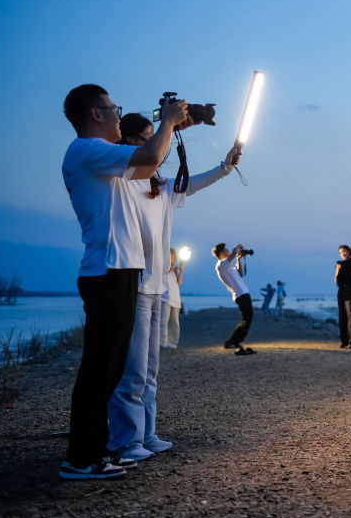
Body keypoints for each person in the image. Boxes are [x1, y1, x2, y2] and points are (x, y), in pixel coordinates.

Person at [59, 84, 190, 480]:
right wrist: (167, 122)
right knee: (100, 368)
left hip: (123, 270)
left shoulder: (103, 156)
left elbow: (148, 168)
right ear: (95, 113)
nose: (119, 114)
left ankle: (99, 449)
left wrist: (173, 127)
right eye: (113, 108)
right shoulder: (86, 149)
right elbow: (148, 156)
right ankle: (81, 458)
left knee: (112, 369)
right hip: (107, 270)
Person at [108, 113, 242, 462]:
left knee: (150, 369)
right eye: (149, 137)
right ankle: (125, 440)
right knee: (133, 370)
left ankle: (146, 434)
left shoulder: (161, 186)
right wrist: (168, 124)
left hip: (156, 289)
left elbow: (192, 184)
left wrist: (225, 167)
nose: (159, 146)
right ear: (131, 142)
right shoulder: (122, 180)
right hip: (135, 287)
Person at [213, 243, 256, 355]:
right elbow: (232, 253)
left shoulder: (228, 266)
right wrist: (238, 247)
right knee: (247, 317)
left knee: (248, 317)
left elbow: (240, 273)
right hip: (240, 294)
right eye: (226, 250)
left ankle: (234, 341)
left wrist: (238, 260)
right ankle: (232, 341)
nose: (228, 251)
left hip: (244, 293)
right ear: (222, 252)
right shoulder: (220, 265)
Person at [160, 249, 184, 349]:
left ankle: (173, 342)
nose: (172, 258)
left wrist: (181, 270)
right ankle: (162, 342)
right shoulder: (162, 266)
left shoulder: (175, 269)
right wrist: (169, 269)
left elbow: (179, 282)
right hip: (164, 297)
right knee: (163, 321)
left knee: (175, 322)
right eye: (170, 256)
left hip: (175, 299)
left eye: (173, 256)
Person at [334, 245, 351, 348]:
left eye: (344, 251)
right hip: (341, 292)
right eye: (340, 253)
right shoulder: (339, 264)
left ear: (349, 251)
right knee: (342, 316)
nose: (343, 254)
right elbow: (336, 280)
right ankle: (344, 341)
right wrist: (338, 269)